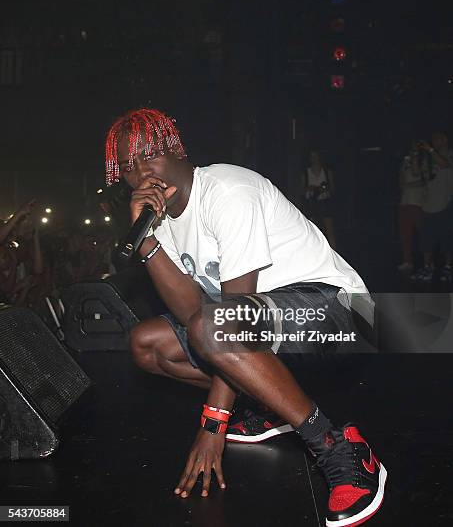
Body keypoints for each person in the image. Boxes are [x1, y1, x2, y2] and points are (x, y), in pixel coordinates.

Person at [105, 108, 387, 527]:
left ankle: (338, 447)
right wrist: (147, 243)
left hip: (340, 314)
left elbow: (226, 321)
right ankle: (268, 406)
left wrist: (213, 423)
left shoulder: (227, 190)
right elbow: (192, 313)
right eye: (127, 166)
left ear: (178, 151)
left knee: (217, 326)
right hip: (263, 326)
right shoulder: (159, 220)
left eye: (150, 155)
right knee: (147, 344)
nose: (141, 171)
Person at [412, 132, 453, 283]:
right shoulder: (429, 158)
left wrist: (429, 150)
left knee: (446, 239)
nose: (435, 141)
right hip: (428, 205)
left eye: (438, 138)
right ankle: (428, 267)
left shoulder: (448, 155)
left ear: (445, 139)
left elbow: (444, 164)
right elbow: (416, 172)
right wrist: (416, 153)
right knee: (426, 240)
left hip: (446, 204)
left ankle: (448, 268)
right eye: (433, 138)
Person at [397, 141, 425, 271]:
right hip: (405, 202)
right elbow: (401, 182)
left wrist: (414, 157)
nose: (412, 150)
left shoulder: (423, 160)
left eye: (415, 148)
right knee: (405, 234)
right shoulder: (406, 161)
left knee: (422, 233)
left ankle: (426, 263)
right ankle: (407, 261)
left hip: (417, 202)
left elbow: (417, 175)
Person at [302, 150, 336, 249]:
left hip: (325, 202)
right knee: (314, 230)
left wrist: (324, 188)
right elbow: (302, 190)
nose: (314, 159)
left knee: (330, 230)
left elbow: (332, 188)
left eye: (316, 156)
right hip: (312, 203)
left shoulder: (326, 171)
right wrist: (311, 189)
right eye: (312, 157)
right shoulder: (306, 172)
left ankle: (333, 254)